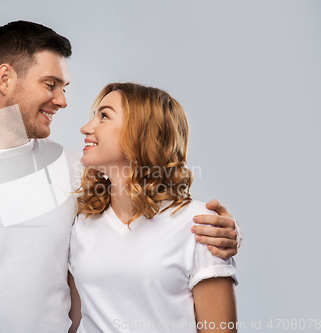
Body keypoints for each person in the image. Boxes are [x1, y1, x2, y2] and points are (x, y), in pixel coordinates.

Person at [0, 21, 240, 333]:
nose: (63, 101)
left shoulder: (80, 174)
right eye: (51, 84)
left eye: (64, 87)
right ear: (5, 78)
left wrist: (220, 235)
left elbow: (148, 216)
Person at [68, 83, 238, 332]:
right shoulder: (82, 224)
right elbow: (74, 321)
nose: (86, 128)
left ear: (141, 133)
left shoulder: (200, 226)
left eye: (104, 116)